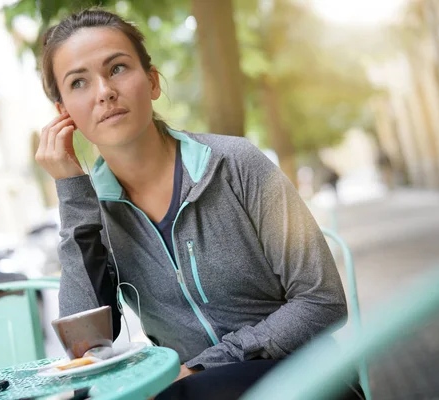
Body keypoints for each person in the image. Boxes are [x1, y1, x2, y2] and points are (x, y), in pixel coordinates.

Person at [35, 8, 363, 399]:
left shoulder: (235, 164)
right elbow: (86, 346)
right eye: (79, 82)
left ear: (153, 81)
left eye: (118, 68)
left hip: (305, 377)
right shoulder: (95, 213)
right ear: (63, 114)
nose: (104, 90)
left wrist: (201, 367)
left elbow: (322, 301)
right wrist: (73, 193)